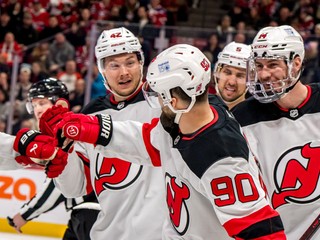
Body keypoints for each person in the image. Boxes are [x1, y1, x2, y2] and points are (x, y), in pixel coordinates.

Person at [52, 44, 286, 239]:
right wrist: (85, 127)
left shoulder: (220, 156)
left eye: (158, 94)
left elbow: (260, 229)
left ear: (173, 99)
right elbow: (144, 141)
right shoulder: (183, 123)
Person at [13, 27, 166, 240]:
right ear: (102, 69)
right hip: (105, 234)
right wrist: (61, 158)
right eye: (114, 65)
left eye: (130, 62)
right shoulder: (90, 114)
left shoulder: (165, 103)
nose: (124, 72)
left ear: (141, 62)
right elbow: (75, 187)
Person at [231, 25, 320, 239]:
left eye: (272, 65)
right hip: (276, 232)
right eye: (259, 66)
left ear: (296, 63)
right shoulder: (241, 117)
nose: (263, 74)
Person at [8, 78, 100, 240]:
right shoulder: (72, 127)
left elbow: (55, 187)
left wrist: (24, 215)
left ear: (61, 103)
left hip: (92, 215)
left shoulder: (71, 130)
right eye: (34, 105)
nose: (37, 110)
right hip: (87, 214)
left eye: (42, 103)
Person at [213, 41, 251, 109]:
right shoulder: (197, 112)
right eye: (227, 72)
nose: (232, 82)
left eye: (240, 76)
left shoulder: (257, 118)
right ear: (217, 72)